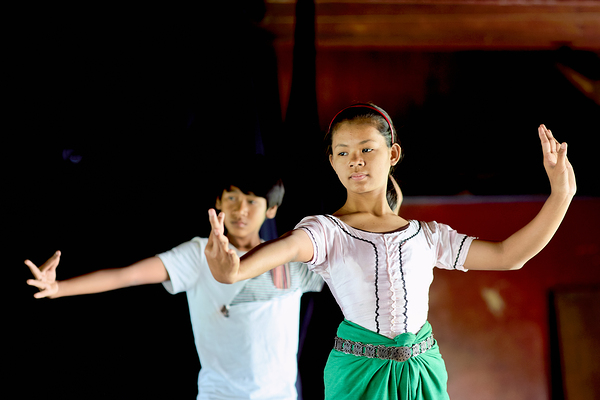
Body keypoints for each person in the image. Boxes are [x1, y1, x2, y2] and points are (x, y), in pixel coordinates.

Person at [204, 103, 577, 400]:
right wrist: (233, 270)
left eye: (367, 149)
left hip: (424, 370)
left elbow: (508, 256)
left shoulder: (427, 236)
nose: (355, 160)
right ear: (332, 161)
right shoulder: (325, 232)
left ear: (393, 153)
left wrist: (562, 195)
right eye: (343, 152)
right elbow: (282, 249)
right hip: (358, 375)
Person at [25, 156, 325, 400]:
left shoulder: (290, 257)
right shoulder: (199, 254)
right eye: (232, 197)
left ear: (271, 209)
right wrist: (58, 288)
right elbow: (128, 275)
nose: (240, 210)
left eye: (252, 200)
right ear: (218, 201)